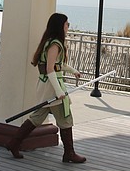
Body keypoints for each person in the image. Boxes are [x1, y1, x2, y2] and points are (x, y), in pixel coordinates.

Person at [7, 12, 87, 163]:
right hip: (52, 87)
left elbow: (58, 65)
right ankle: (69, 153)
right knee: (65, 118)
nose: (68, 27)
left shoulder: (49, 42)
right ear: (60, 26)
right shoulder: (55, 44)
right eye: (67, 24)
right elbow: (51, 69)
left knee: (37, 117)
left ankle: (14, 143)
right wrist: (58, 91)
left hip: (46, 86)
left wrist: (73, 71)